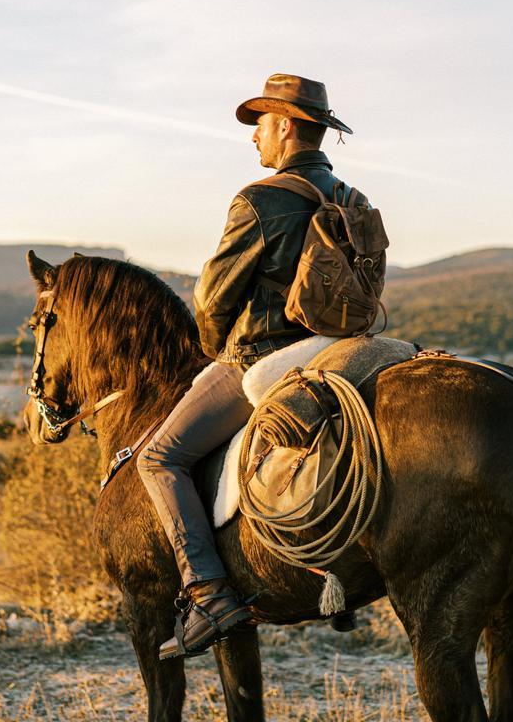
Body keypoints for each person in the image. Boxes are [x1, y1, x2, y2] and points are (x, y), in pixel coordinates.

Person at [137, 73, 359, 659]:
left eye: (260, 124)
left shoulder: (261, 199)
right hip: (336, 353)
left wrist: (212, 349)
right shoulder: (350, 198)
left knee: (159, 458)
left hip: (263, 357)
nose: (254, 138)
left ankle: (208, 592)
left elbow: (212, 303)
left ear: (285, 127)